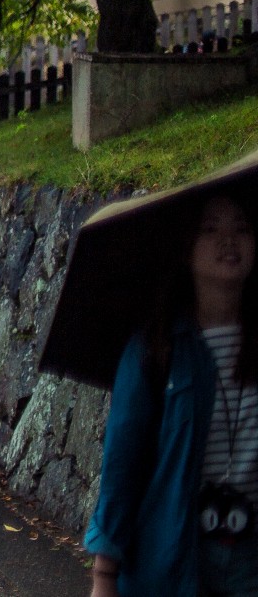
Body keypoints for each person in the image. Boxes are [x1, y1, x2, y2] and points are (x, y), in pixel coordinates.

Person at [87, 192, 258, 597]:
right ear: (187, 248)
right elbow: (122, 466)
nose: (228, 240)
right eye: (211, 229)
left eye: (243, 228)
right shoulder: (157, 348)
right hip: (177, 552)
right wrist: (104, 576)